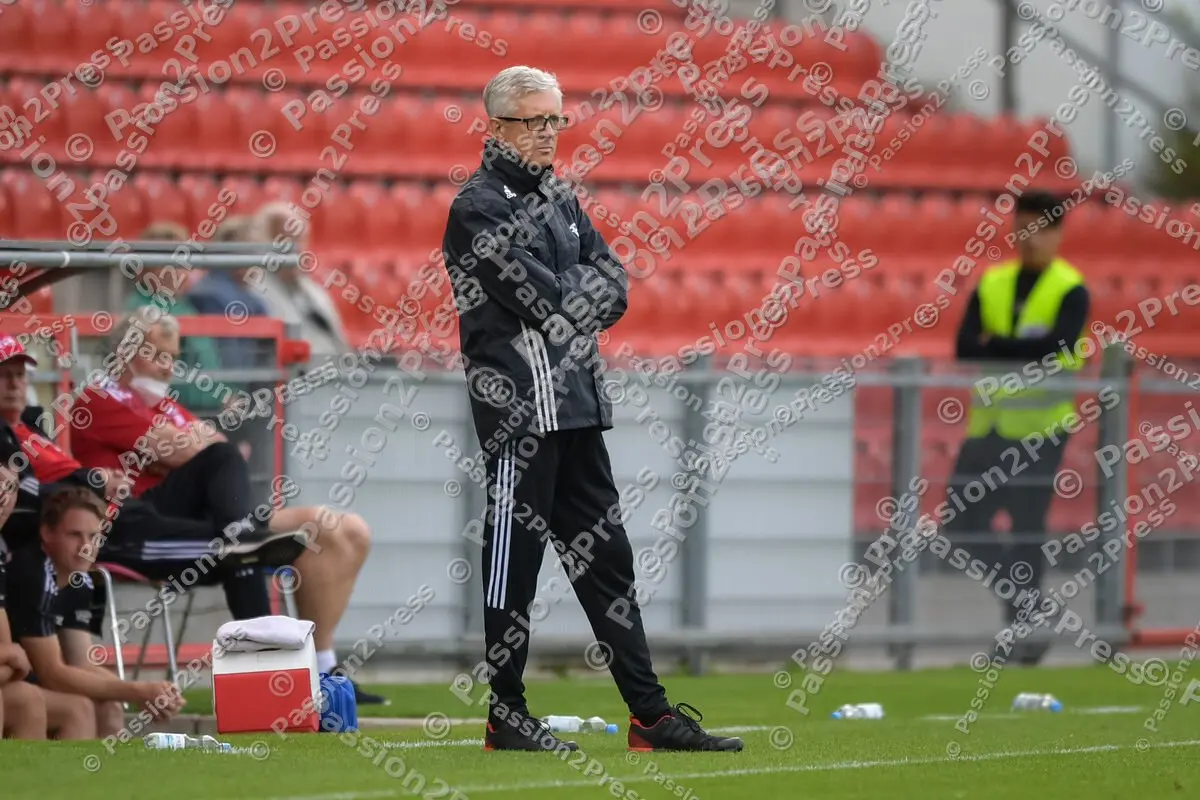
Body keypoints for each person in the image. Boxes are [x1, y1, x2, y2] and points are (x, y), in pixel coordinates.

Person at [441, 65, 742, 753]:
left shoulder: (562, 198)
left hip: (578, 402)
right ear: (498, 127)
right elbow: (549, 301)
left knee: (608, 559)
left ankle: (650, 715)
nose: (549, 133)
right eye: (534, 121)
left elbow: (614, 286)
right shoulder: (477, 207)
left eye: (556, 120)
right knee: (512, 564)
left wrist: (578, 288)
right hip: (522, 412)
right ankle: (506, 714)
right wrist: (579, 288)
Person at [67, 309, 385, 704]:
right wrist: (194, 442)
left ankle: (323, 668)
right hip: (144, 521)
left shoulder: (160, 406)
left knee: (343, 529)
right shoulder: (99, 398)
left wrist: (194, 443)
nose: (169, 368)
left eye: (173, 356)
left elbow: (205, 444)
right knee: (229, 491)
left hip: (204, 514)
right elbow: (194, 448)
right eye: (158, 355)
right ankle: (283, 678)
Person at [0, 335, 308, 617]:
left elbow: (214, 447)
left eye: (19, 375)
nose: (14, 384)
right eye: (4, 375)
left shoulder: (30, 428)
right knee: (238, 554)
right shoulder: (94, 401)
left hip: (129, 508)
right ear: (125, 357)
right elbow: (28, 493)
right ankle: (263, 658)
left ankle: (242, 540)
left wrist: (95, 478)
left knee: (224, 461)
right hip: (103, 530)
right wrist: (93, 480)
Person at [946, 191, 1091, 665]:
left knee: (1028, 529)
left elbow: (1058, 347)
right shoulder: (992, 282)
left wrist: (997, 344)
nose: (1031, 241)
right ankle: (1030, 608)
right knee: (959, 527)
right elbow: (965, 347)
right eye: (1024, 229)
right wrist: (1013, 347)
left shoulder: (1071, 288)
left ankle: (1023, 632)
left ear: (1057, 233)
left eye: (1041, 230)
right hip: (988, 426)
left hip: (1041, 429)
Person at [6, 485, 185, 737]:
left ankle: (109, 776)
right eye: (75, 535)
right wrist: (139, 691)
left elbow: (82, 662)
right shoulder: (34, 573)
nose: (86, 546)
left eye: (94, 537)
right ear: (47, 533)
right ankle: (67, 776)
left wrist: (146, 691)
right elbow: (52, 673)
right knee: (78, 709)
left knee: (109, 704)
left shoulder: (81, 579)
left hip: (28, 679)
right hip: (14, 680)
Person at [126, 221, 223, 413]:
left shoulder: (186, 306)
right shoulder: (139, 308)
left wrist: (226, 394)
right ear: (147, 269)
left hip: (207, 411)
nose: (183, 271)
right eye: (172, 264)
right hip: (165, 413)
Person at [251, 201, 350, 357]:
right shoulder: (254, 293)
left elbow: (341, 343)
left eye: (299, 240)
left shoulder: (315, 292)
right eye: (286, 241)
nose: (296, 249)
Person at [186, 216, 269, 371]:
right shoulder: (211, 296)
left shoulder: (251, 299)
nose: (258, 261)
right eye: (252, 253)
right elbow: (229, 364)